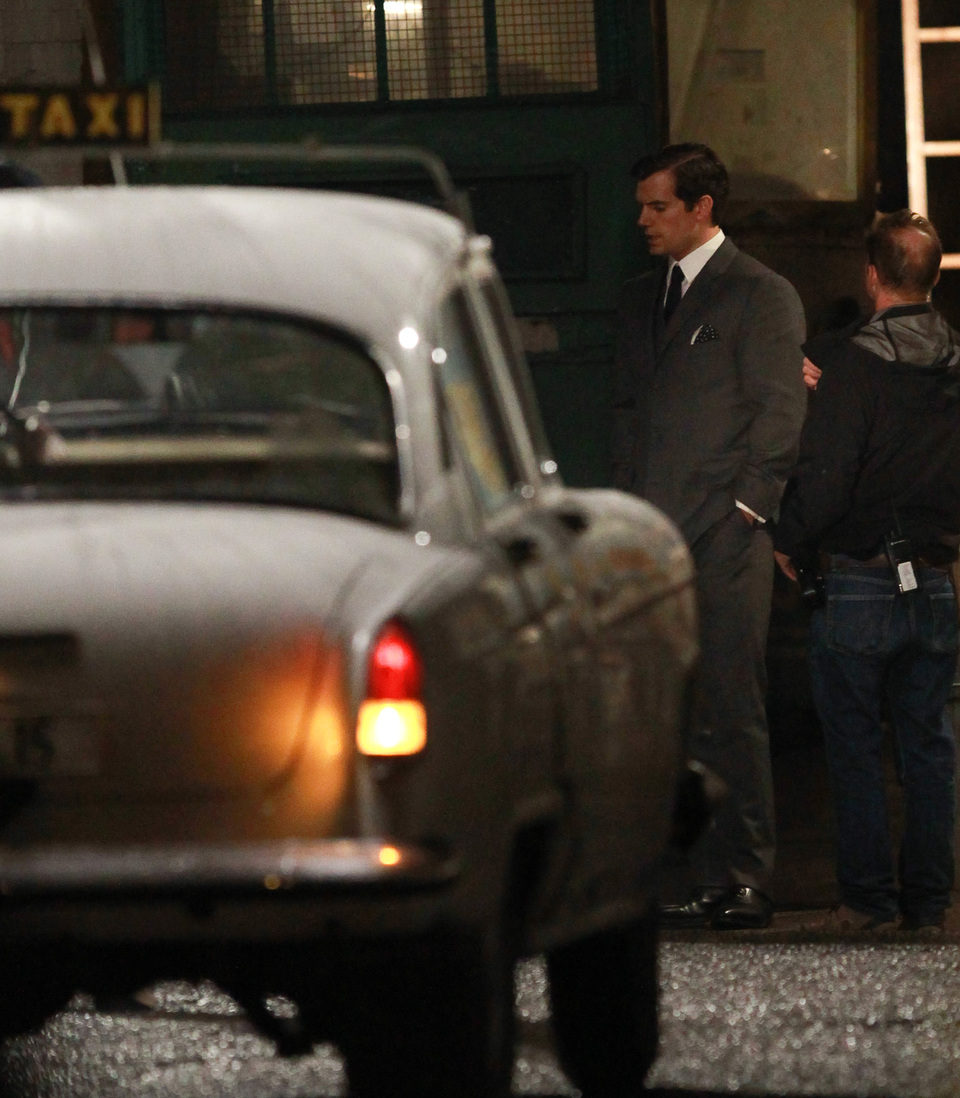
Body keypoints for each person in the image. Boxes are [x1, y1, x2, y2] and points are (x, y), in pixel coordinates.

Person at [613, 142, 807, 929]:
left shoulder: (759, 295)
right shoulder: (642, 299)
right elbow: (630, 418)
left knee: (732, 706)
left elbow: (778, 415)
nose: (644, 220)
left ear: (702, 209)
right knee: (671, 712)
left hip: (723, 540)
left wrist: (748, 512)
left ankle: (745, 873)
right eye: (642, 206)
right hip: (655, 540)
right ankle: (695, 869)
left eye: (659, 206)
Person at [773, 210, 960, 936]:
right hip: (935, 579)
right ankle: (930, 904)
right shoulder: (953, 360)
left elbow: (830, 474)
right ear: (932, 278)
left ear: (873, 275)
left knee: (853, 748)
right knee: (930, 748)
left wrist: (790, 537)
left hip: (859, 576)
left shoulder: (854, 363)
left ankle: (867, 902)